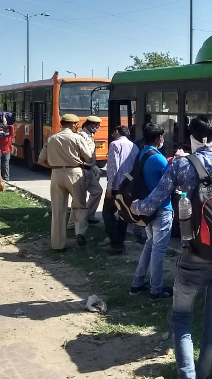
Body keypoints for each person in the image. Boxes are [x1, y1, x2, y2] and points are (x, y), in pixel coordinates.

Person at [130, 115, 212, 379]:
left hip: (192, 256)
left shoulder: (181, 165)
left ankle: (188, 375)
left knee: (181, 317)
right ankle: (203, 374)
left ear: (192, 139)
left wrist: (135, 206)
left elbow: (152, 203)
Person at [128, 123, 174, 297]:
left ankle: (137, 283)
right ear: (159, 138)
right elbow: (172, 179)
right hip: (162, 209)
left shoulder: (142, 153)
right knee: (158, 250)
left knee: (149, 245)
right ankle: (156, 289)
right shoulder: (158, 158)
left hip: (147, 208)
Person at [37, 114, 94, 251]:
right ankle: (80, 232)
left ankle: (57, 245)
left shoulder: (52, 138)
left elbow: (41, 160)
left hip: (56, 173)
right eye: (76, 124)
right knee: (80, 205)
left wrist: (55, 167)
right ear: (73, 124)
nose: (77, 126)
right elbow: (89, 158)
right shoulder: (77, 138)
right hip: (75, 172)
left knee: (58, 209)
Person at [102, 125, 139, 254]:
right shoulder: (134, 146)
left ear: (116, 132)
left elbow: (113, 168)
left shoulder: (115, 144)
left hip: (117, 186)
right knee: (123, 213)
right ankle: (119, 240)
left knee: (107, 213)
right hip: (129, 186)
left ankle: (116, 242)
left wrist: (110, 187)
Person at [68, 116, 103, 228]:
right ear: (90, 125)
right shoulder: (81, 136)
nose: (97, 128)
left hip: (90, 169)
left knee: (97, 191)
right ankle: (72, 223)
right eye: (96, 126)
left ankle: (88, 215)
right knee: (79, 197)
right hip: (82, 169)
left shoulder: (89, 135)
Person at [0, 113, 16, 190]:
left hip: (6, 152)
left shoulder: (10, 135)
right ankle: (0, 177)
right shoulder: (1, 135)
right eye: (4, 130)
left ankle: (6, 178)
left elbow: (11, 127)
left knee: (5, 165)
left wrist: (6, 120)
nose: (6, 131)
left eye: (7, 129)